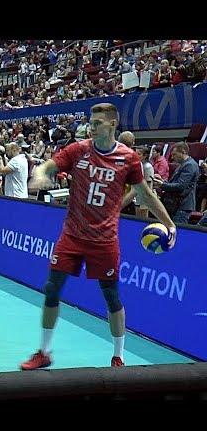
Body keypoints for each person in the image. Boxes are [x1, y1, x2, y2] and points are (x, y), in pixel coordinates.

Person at [20, 103, 177, 370]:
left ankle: (118, 357)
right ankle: (44, 352)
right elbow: (50, 165)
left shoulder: (128, 159)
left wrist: (170, 225)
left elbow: (145, 195)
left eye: (98, 123)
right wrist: (39, 174)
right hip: (72, 234)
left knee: (112, 297)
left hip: (104, 240)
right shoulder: (79, 150)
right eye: (90, 123)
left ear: (113, 124)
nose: (91, 127)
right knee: (51, 288)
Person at [152, 142, 199, 225]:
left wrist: (162, 185)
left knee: (178, 232)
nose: (172, 158)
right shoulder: (184, 164)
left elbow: (181, 186)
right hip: (177, 205)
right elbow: (175, 183)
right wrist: (162, 180)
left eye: (174, 154)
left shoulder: (190, 165)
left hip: (182, 206)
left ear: (183, 152)